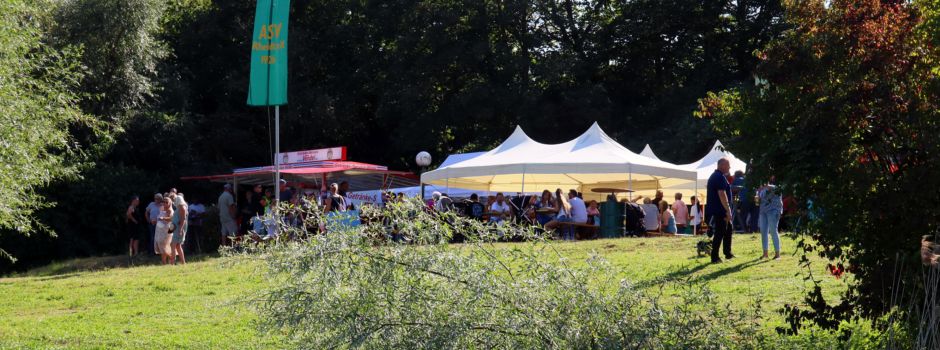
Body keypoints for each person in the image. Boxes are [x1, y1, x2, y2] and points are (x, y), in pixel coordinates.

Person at [707, 158, 735, 263]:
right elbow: (722, 194)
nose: (729, 167)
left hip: (718, 209)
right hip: (720, 210)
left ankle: (728, 253)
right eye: (728, 165)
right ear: (722, 165)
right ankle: (715, 257)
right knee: (720, 232)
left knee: (728, 229)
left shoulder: (717, 176)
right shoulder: (719, 177)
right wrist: (728, 210)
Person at [758, 177, 783, 259]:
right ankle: (765, 254)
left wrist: (766, 186)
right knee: (763, 232)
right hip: (763, 212)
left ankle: (777, 254)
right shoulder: (761, 190)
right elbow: (760, 200)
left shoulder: (774, 187)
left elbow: (776, 189)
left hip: (773, 211)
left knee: (773, 231)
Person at [155, 195, 175, 265]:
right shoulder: (163, 209)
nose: (165, 203)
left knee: (164, 245)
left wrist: (163, 218)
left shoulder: (170, 210)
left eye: (166, 202)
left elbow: (171, 219)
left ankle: (170, 260)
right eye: (164, 202)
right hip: (161, 230)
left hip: (167, 230)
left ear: (170, 203)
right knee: (162, 245)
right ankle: (166, 262)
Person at [171, 194, 188, 265]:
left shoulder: (182, 207)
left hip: (179, 228)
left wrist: (181, 229)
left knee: (173, 244)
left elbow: (183, 219)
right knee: (178, 246)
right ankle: (183, 262)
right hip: (176, 227)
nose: (174, 201)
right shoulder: (180, 207)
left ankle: (172, 262)